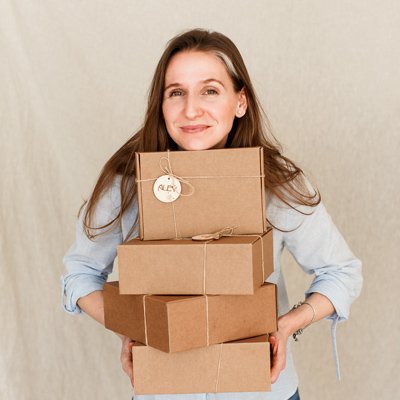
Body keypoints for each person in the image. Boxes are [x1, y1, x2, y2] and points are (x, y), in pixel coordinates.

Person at [61, 29, 362, 400]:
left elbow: (341, 272)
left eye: (210, 90)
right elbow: (79, 274)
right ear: (161, 105)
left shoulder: (277, 182)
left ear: (240, 101)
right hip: (164, 392)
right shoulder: (127, 183)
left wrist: (285, 327)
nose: (191, 109)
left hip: (263, 392)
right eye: (176, 93)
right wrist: (133, 328)